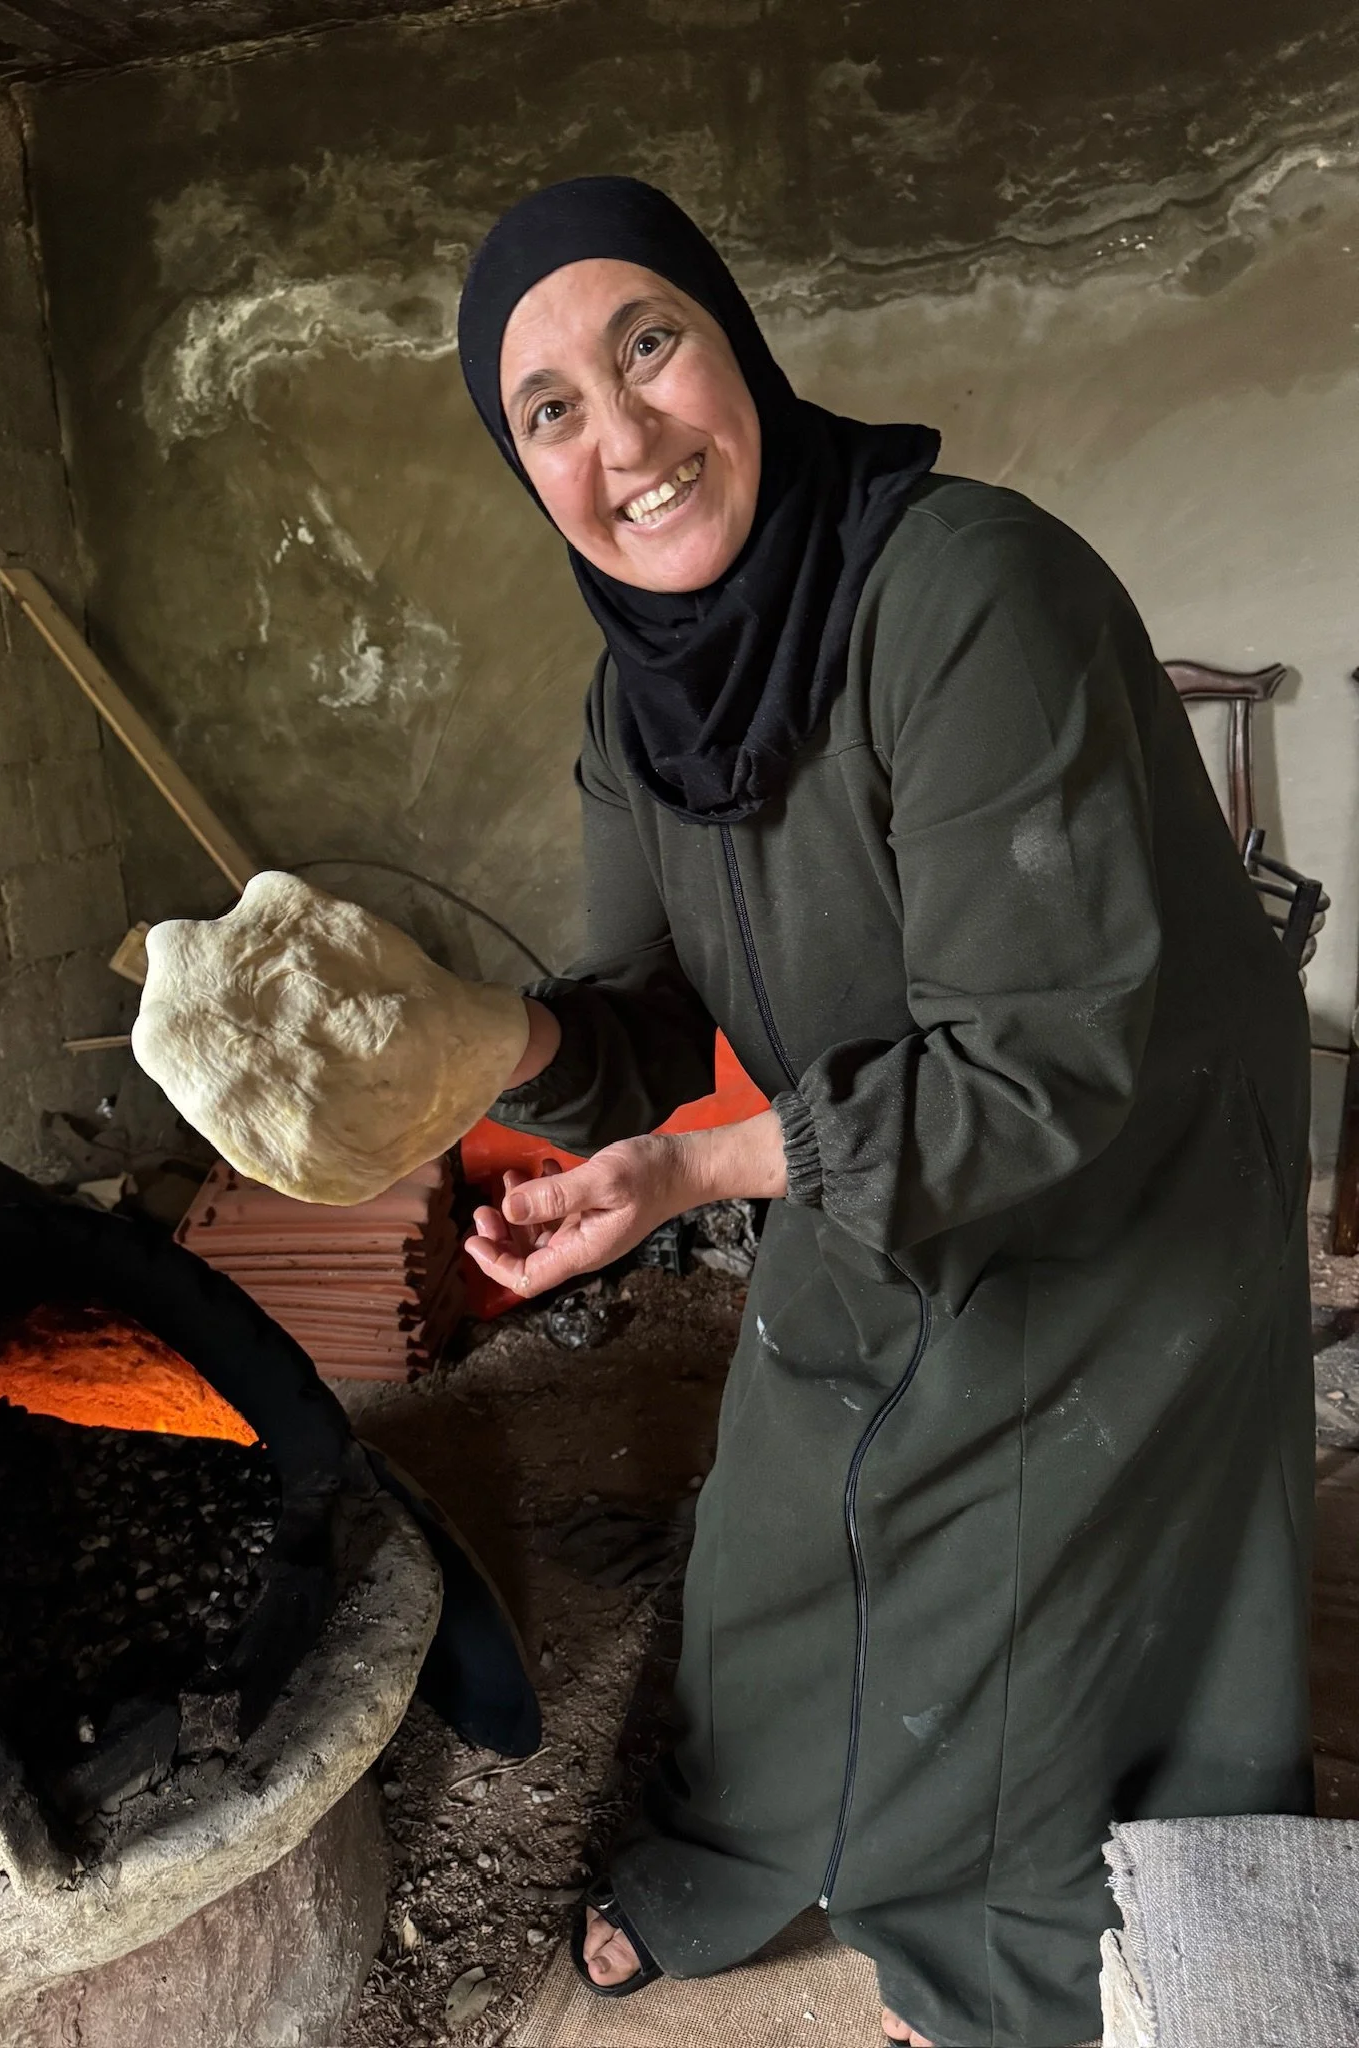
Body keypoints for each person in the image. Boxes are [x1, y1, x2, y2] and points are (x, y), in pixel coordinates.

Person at [454, 176, 1314, 2048]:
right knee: (777, 1520)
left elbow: (1047, 1060)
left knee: (1015, 1568)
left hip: (1136, 1143)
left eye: (649, 346)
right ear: (527, 473)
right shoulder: (635, 704)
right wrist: (475, 1041)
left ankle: (1006, 1946)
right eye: (552, 415)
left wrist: (698, 1176)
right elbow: (654, 1027)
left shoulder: (964, 590)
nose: (628, 441)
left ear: (735, 345)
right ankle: (744, 1854)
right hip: (883, 1136)